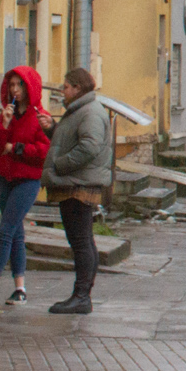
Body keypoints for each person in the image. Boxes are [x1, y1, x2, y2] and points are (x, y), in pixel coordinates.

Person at [0, 66, 51, 307]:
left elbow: (44, 151)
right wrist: (2, 126)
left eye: (20, 85)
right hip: (4, 177)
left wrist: (16, 148)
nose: (15, 90)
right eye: (11, 85)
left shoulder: (39, 117)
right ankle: (20, 289)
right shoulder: (4, 115)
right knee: (15, 233)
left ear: (29, 87)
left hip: (27, 180)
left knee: (5, 230)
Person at [37, 68, 113, 315]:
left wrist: (60, 164)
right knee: (82, 240)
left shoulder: (89, 112)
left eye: (66, 86)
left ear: (78, 88)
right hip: (77, 182)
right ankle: (82, 295)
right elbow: (73, 140)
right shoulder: (82, 110)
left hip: (78, 184)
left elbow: (89, 147)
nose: (62, 90)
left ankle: (81, 296)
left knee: (80, 241)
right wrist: (53, 128)